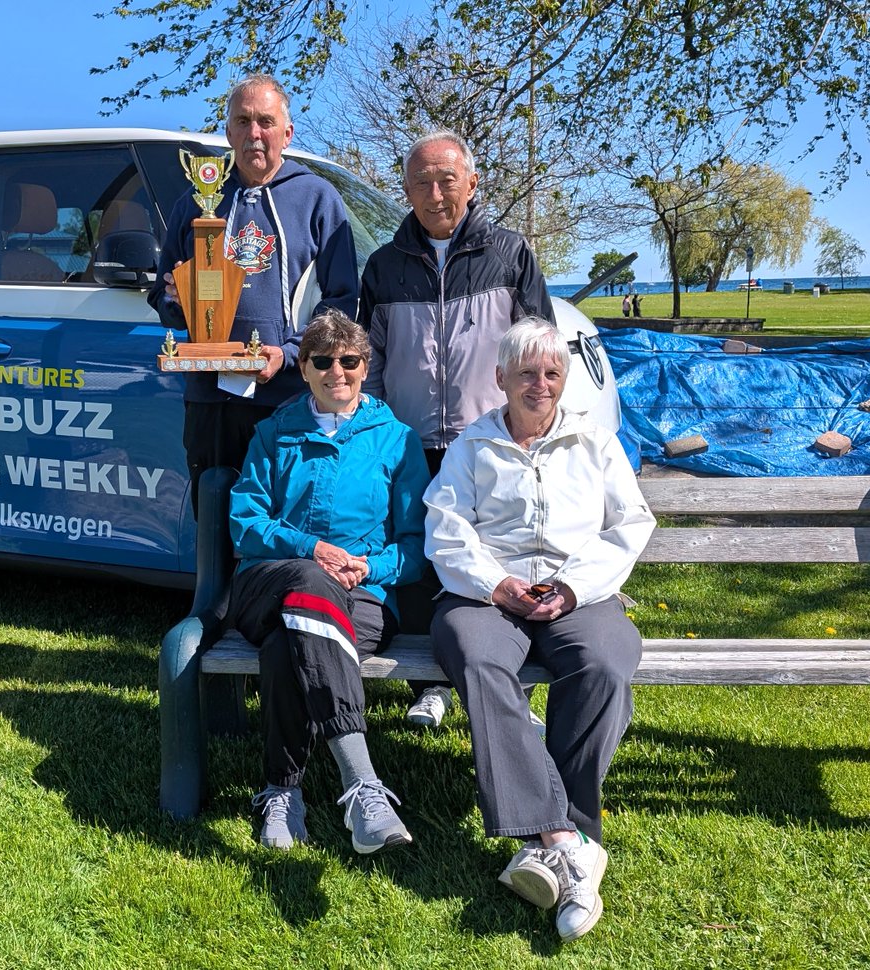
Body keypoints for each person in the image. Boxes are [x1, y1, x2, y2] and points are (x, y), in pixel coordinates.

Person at [424, 319, 655, 941]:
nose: (540, 385)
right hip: (486, 594)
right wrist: (494, 583)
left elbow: (630, 522)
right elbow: (446, 528)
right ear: (500, 379)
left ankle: (552, 844)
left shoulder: (594, 442)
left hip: (575, 592)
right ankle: (568, 839)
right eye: (527, 373)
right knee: (476, 658)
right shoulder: (471, 445)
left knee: (606, 660)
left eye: (552, 373)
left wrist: (575, 586)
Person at [358, 129, 554, 729]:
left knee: (490, 556)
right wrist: (379, 431)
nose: (436, 193)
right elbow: (372, 360)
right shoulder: (385, 266)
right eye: (422, 182)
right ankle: (429, 680)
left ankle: (504, 685)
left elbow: (538, 346)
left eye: (448, 179)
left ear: (471, 182)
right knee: (423, 557)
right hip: (410, 441)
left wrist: (527, 427)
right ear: (407, 191)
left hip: (488, 440)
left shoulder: (510, 253)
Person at [227, 310, 430, 854]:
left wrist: (371, 567)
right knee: (307, 584)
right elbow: (244, 524)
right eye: (323, 361)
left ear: (366, 367)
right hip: (267, 584)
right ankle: (362, 783)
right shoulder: (273, 434)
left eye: (350, 361)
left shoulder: (397, 441)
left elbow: (417, 547)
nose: (336, 371)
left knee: (287, 642)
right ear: (303, 366)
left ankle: (281, 790)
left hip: (362, 596)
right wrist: (309, 549)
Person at [148, 74, 359, 516]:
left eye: (265, 121)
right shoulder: (195, 203)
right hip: (212, 398)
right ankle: (216, 589)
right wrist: (178, 298)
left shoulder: (318, 198)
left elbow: (342, 299)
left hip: (291, 395)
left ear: (287, 132)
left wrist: (291, 351)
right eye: (242, 121)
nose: (254, 133)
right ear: (228, 132)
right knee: (215, 515)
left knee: (291, 517)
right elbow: (164, 300)